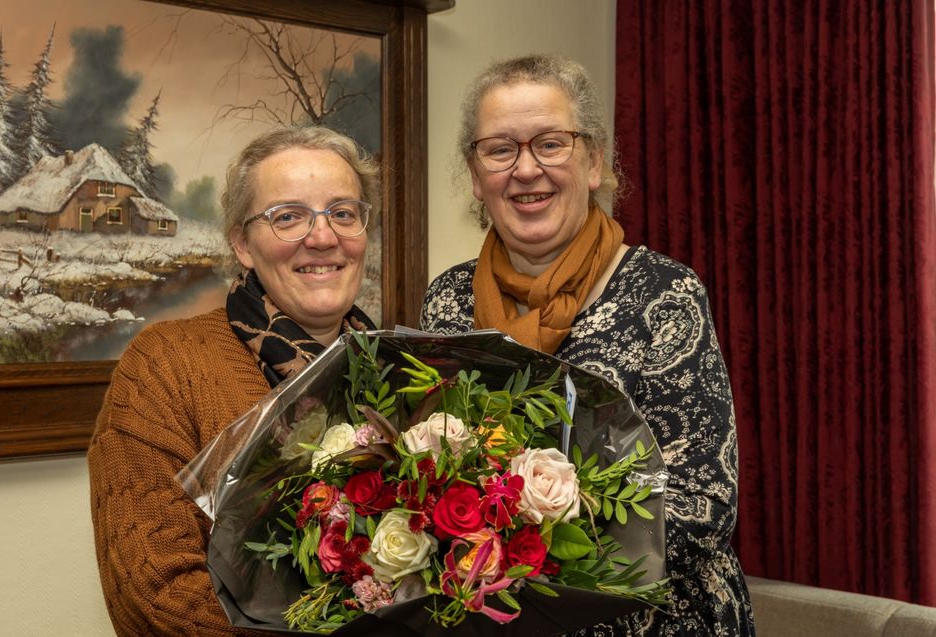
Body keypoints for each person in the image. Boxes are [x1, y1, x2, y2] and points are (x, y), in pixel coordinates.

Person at [420, 54, 756, 636]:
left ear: (594, 160)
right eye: (500, 150)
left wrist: (531, 558)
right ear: (475, 175)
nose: (526, 170)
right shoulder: (446, 303)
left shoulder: (664, 294)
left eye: (551, 143)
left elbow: (704, 503)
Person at [88, 126, 380, 636]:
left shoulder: (401, 370)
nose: (322, 236)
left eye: (343, 212)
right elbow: (153, 593)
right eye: (287, 216)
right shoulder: (165, 366)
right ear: (242, 243)